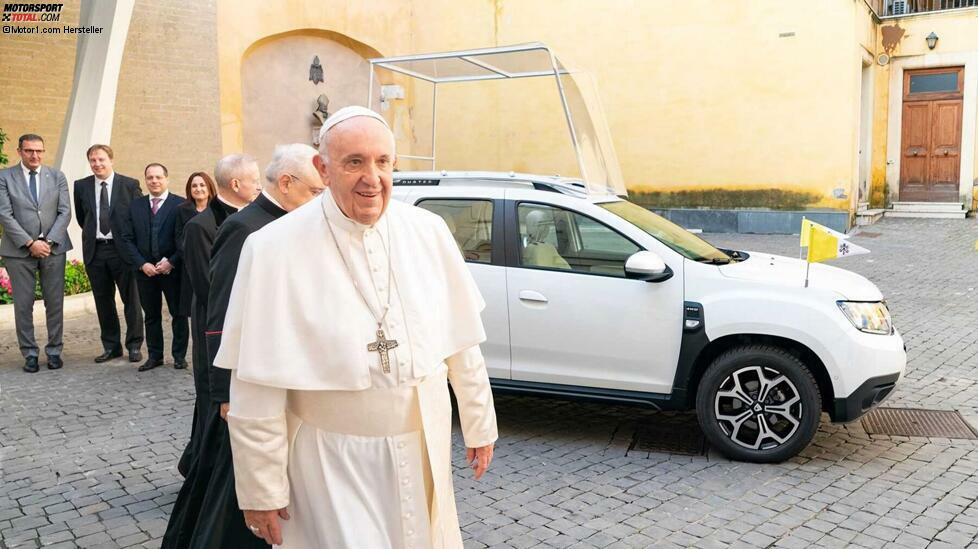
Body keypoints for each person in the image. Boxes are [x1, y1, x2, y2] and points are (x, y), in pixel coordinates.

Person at [216, 107, 498, 548]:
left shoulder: (429, 232)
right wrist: (261, 490)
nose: (373, 177)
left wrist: (480, 423)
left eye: (383, 162)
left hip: (421, 447)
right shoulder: (271, 248)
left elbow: (462, 340)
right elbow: (255, 383)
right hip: (330, 460)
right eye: (354, 162)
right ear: (322, 169)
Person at [162, 144, 324, 549]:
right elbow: (220, 314)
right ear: (286, 183)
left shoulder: (288, 222)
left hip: (277, 373)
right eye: (315, 191)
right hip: (243, 381)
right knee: (229, 483)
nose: (319, 201)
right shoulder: (245, 227)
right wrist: (224, 391)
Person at [173, 154, 260, 477]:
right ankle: (200, 468)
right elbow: (206, 285)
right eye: (254, 180)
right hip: (215, 323)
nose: (258, 186)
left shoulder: (250, 219)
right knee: (212, 398)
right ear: (236, 184)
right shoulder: (200, 226)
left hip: (238, 322)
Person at [0, 134, 73, 373]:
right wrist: (30, 243)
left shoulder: (57, 176)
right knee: (23, 305)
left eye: (39, 151)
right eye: (30, 151)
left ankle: (54, 351)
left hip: (54, 249)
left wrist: (48, 241)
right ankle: (29, 353)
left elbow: (65, 212)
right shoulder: (4, 177)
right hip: (18, 251)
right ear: (19, 151)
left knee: (55, 303)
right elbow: (4, 215)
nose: (35, 156)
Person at [73, 144, 145, 364]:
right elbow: (81, 217)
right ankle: (111, 347)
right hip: (96, 250)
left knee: (131, 300)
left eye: (101, 160)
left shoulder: (129, 185)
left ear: (111, 160)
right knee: (103, 301)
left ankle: (134, 345)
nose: (97, 164)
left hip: (121, 251)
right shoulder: (81, 186)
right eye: (93, 160)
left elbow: (138, 219)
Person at [118, 163, 188, 372]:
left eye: (158, 177)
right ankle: (155, 356)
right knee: (151, 315)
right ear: (146, 180)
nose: (154, 181)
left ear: (166, 179)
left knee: (178, 314)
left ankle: (179, 356)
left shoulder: (181, 205)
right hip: (145, 271)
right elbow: (127, 238)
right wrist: (142, 264)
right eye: (150, 178)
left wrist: (171, 261)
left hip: (172, 270)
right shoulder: (136, 206)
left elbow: (185, 239)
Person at [174, 172, 216, 320]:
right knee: (196, 309)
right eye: (194, 186)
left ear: (209, 187)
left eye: (202, 185)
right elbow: (178, 237)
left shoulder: (218, 209)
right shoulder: (182, 210)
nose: (198, 188)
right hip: (191, 266)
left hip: (214, 264)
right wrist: (190, 255)